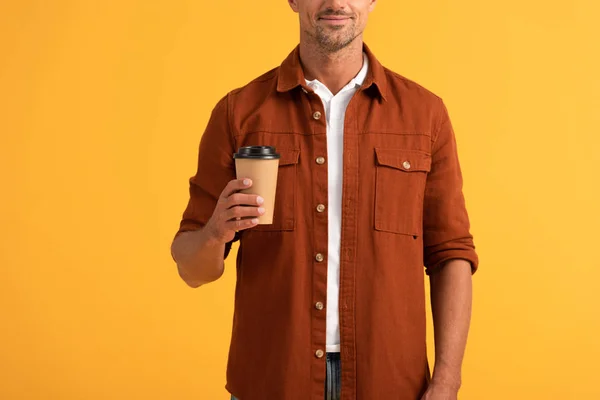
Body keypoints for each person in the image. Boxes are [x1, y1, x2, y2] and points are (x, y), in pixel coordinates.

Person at [171, 1, 479, 399]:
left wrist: (447, 381)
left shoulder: (425, 116)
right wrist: (214, 233)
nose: (336, 2)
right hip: (274, 380)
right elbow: (192, 269)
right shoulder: (239, 113)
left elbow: (450, 253)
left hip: (390, 382)